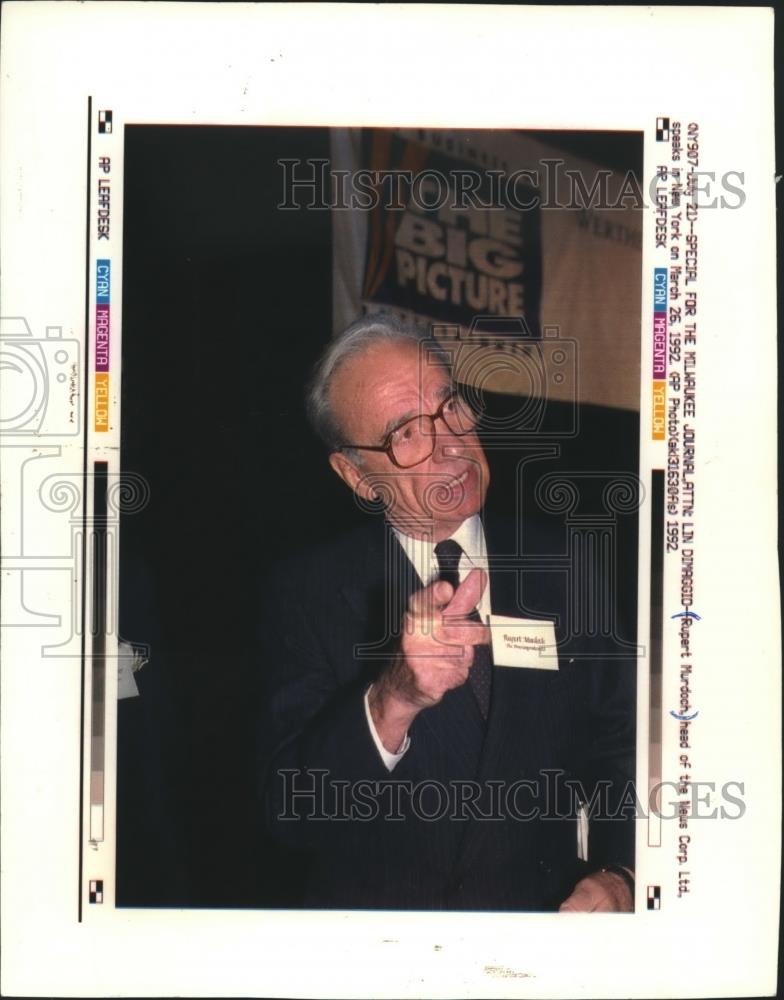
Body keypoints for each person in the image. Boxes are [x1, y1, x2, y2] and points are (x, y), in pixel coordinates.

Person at [257, 313, 635, 911]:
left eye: (448, 404)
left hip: (541, 934)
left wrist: (620, 872)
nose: (451, 443)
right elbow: (292, 811)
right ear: (357, 475)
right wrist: (391, 700)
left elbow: (621, 744)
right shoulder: (309, 592)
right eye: (405, 432)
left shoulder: (566, 562)